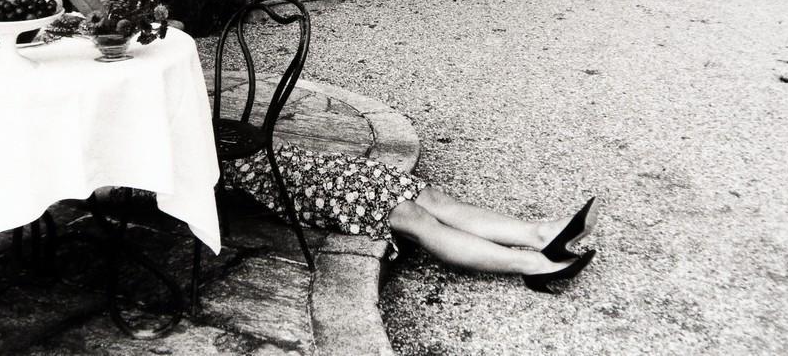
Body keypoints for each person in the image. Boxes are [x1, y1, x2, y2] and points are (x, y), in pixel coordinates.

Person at [227, 144, 598, 294]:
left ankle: (541, 234)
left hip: (283, 158)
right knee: (410, 216)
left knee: (428, 196)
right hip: (266, 180)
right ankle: (534, 264)